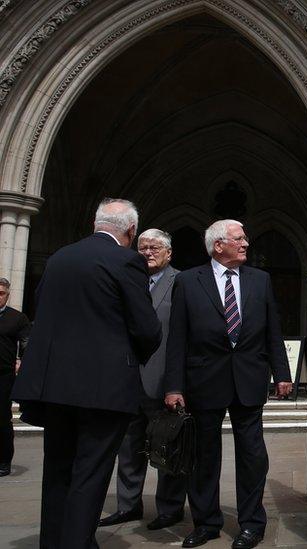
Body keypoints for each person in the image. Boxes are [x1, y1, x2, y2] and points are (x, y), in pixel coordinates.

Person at [12, 198, 161, 549]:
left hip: (55, 387)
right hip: (103, 389)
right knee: (90, 474)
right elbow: (146, 327)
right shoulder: (127, 260)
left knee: (59, 470)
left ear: (96, 224)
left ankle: (54, 541)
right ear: (130, 230)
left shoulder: (60, 257)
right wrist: (129, 358)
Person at [164, 219, 292, 549]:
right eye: (239, 238)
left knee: (252, 456)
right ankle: (206, 522)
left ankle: (252, 523)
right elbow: (177, 337)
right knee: (204, 457)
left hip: (248, 380)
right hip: (203, 381)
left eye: (245, 237)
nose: (246, 242)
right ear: (218, 245)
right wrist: (173, 386)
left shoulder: (260, 280)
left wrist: (283, 374)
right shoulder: (189, 281)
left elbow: (272, 332)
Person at [99, 229, 186, 530]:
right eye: (143, 248)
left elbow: (182, 336)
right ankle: (128, 505)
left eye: (155, 248)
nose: (148, 253)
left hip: (163, 381)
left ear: (169, 253)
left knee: (167, 445)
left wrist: (177, 382)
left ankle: (170, 508)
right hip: (126, 379)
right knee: (128, 447)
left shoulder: (181, 283)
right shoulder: (127, 280)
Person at [0, 277, 29, 477]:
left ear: (8, 296)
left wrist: (22, 362)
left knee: (2, 419)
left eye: (1, 293)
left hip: (3, 376)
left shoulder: (17, 318)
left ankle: (3, 461)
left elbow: (26, 343)